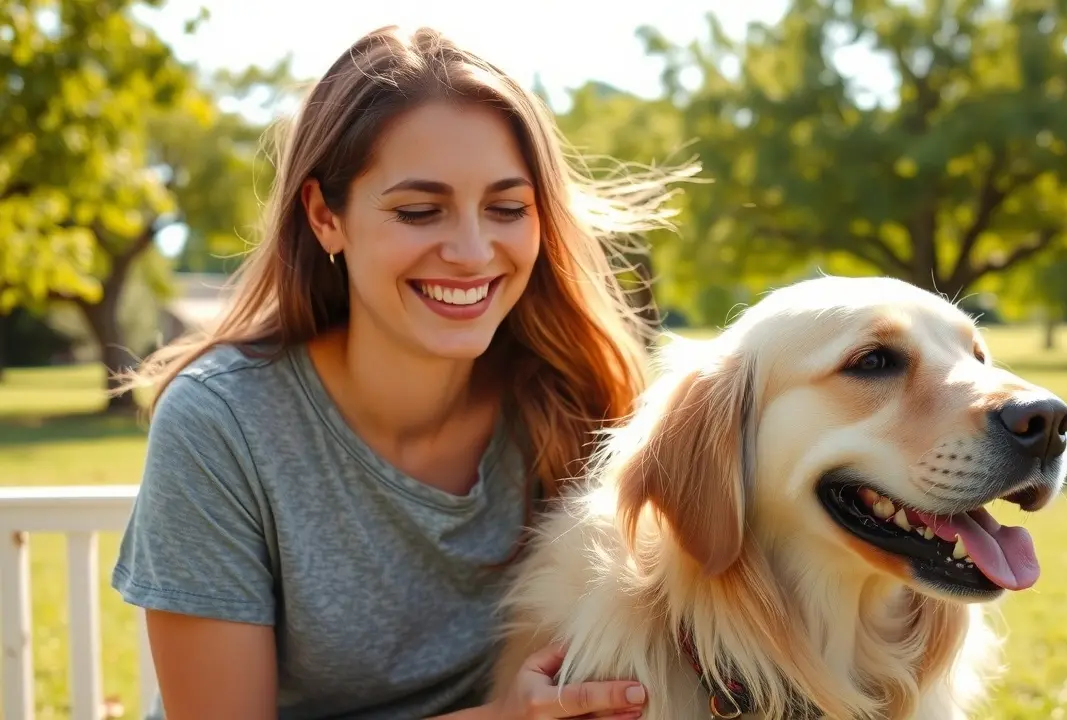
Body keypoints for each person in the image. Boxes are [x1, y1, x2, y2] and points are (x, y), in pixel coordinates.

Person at [111, 24, 691, 720]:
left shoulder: (578, 396)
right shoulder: (220, 426)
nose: (474, 252)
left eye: (508, 208)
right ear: (326, 217)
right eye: (420, 210)